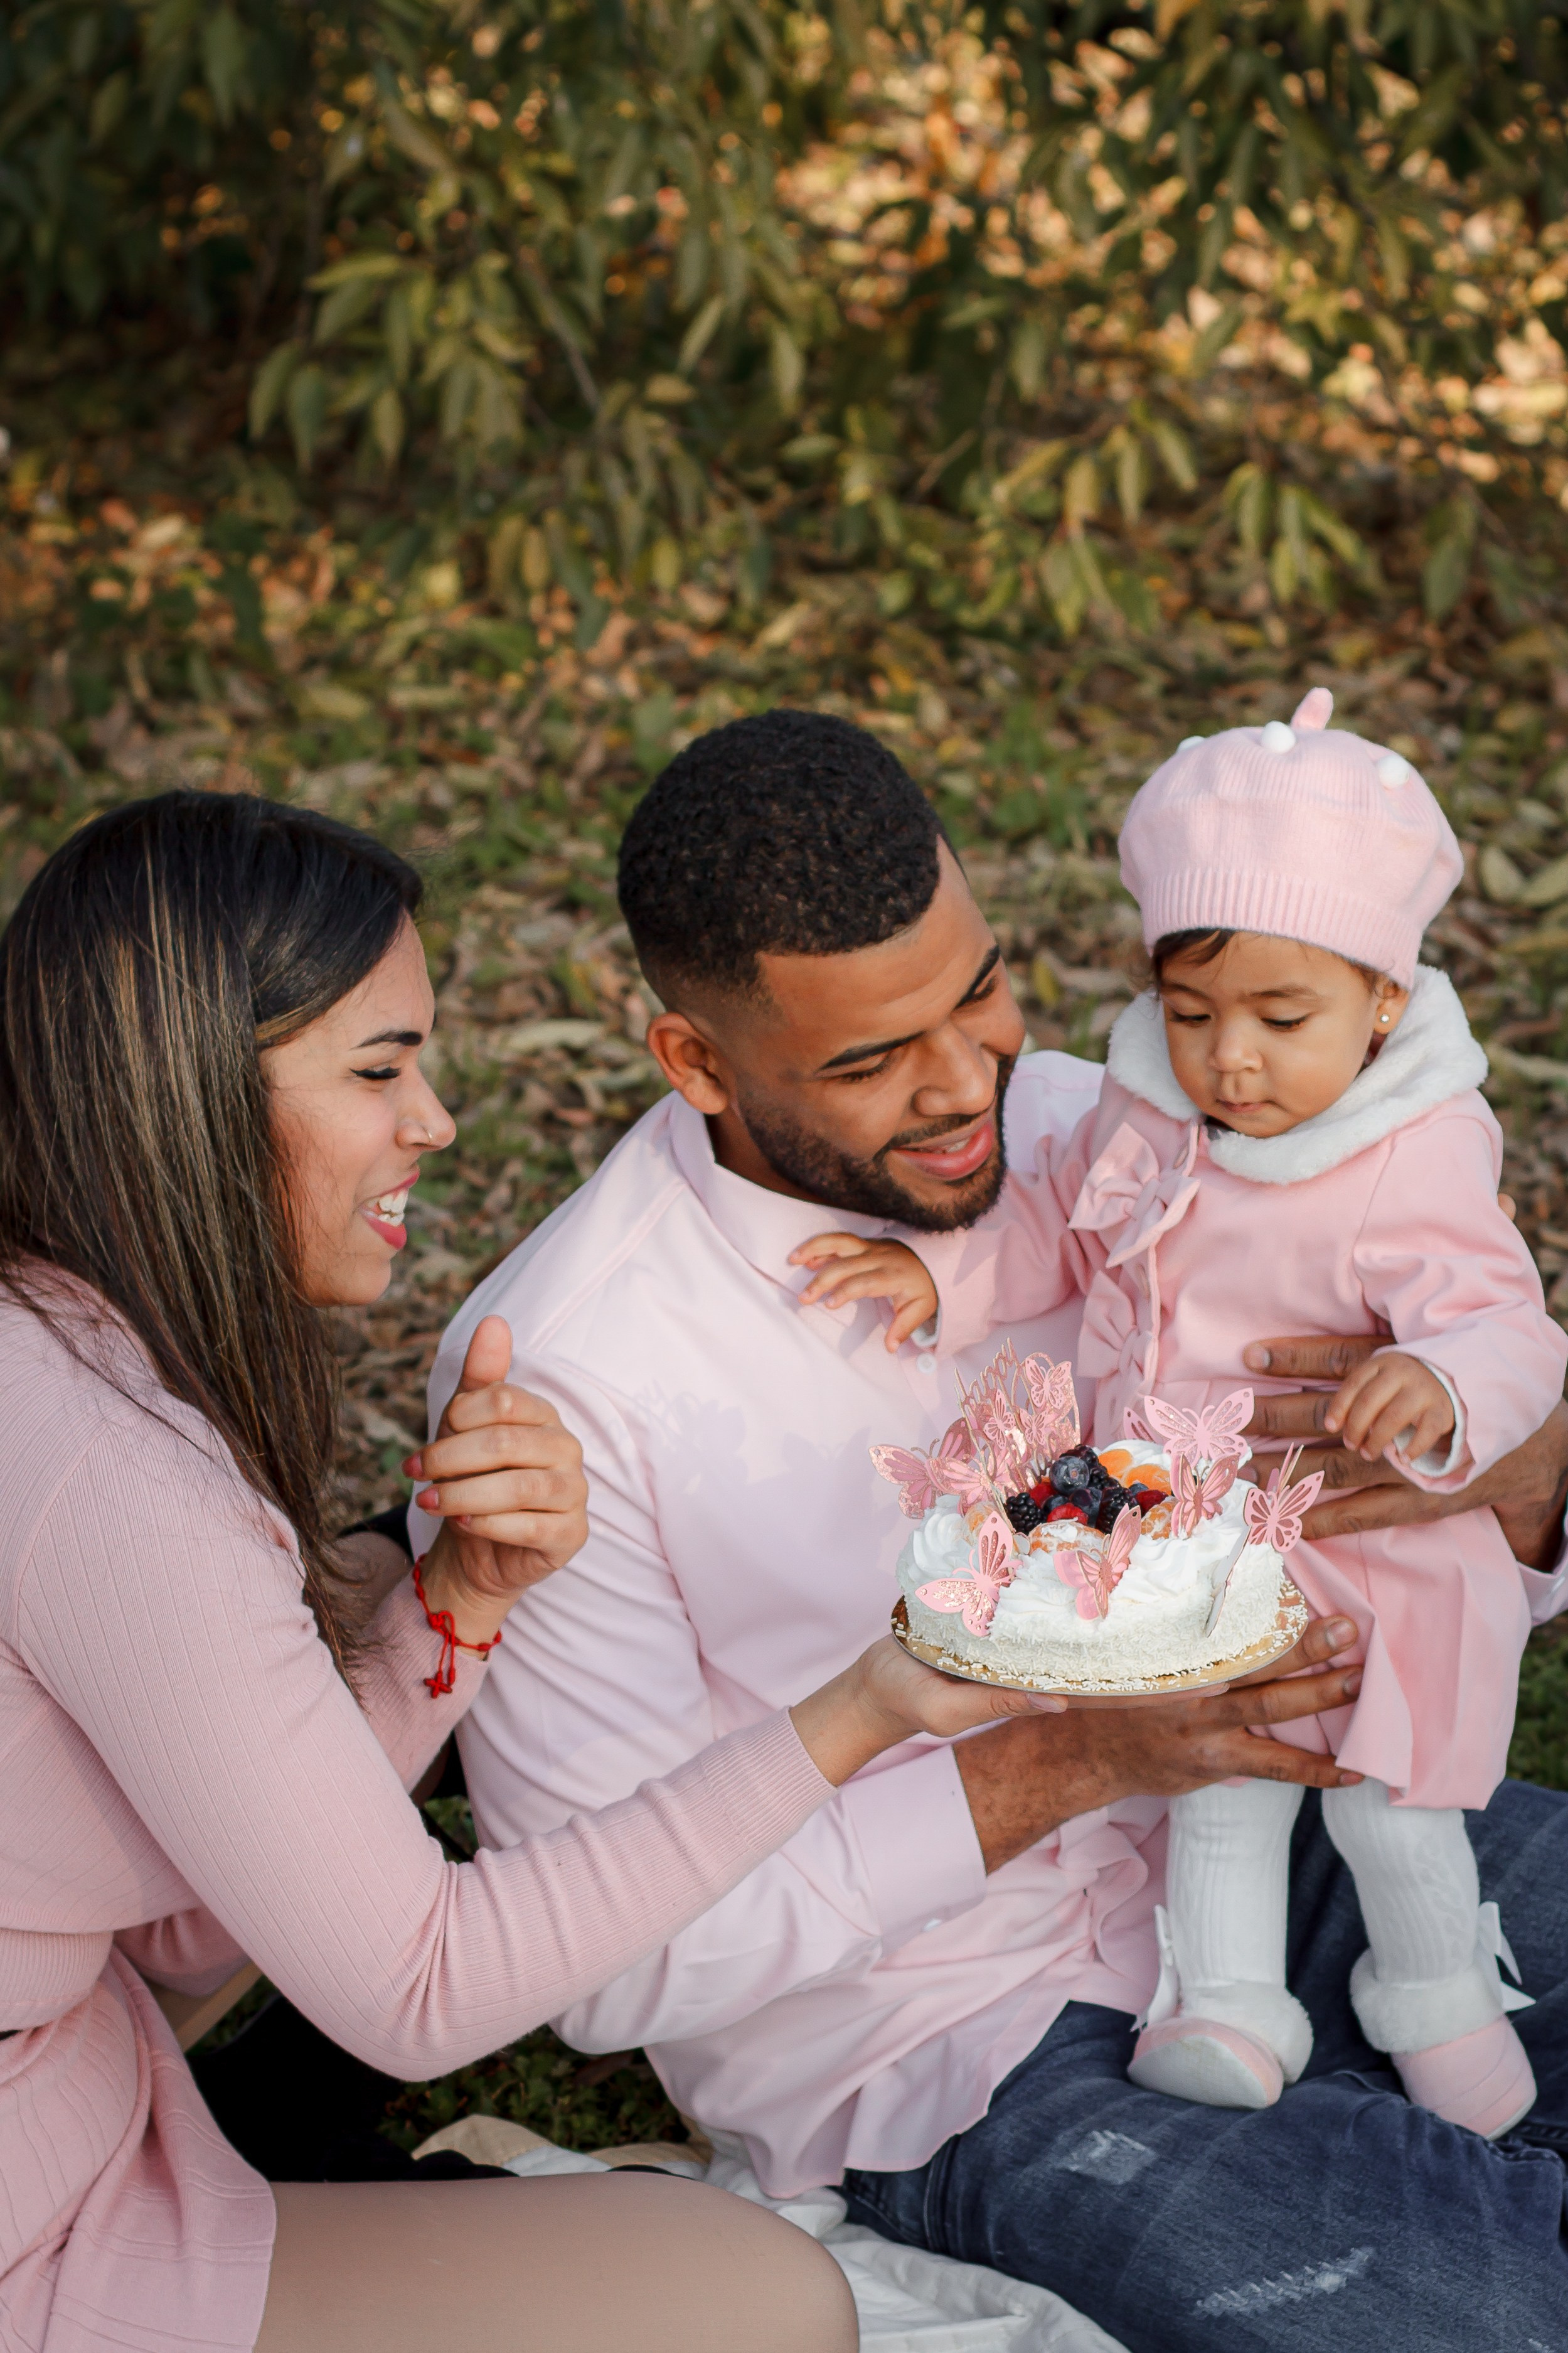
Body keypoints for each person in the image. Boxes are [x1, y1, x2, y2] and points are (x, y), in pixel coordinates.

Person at [418, 707, 1568, 2350]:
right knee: (1482, 2311)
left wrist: (1512, 1470)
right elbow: (599, 1968)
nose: (971, 1087)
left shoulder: (1112, 1126)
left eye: (977, 994)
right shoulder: (572, 1379)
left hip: (1303, 1807)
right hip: (953, 2028)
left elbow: (1473, 1451)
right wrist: (1070, 1762)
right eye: (872, 1059)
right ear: (695, 1062)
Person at [0, 789, 1047, 2353]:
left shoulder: (61, 1359)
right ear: (187, 1099)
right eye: (378, 1069)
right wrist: (867, 1706)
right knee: (769, 2310)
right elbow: (415, 1987)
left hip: (92, 2104)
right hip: (44, 2223)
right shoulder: (119, 1483)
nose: (432, 1120)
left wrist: (457, 1600)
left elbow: (195, 1926)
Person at [797, 689, 1567, 2136]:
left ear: (1381, 1003)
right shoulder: (1150, 1113)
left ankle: (1434, 1999)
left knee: (1384, 1802)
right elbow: (1061, 1233)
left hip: (1366, 1535)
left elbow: (1504, 1321)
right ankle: (1225, 2005)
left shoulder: (1408, 1153)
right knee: (1213, 1772)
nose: (1231, 1060)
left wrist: (1447, 1381)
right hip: (1191, 1527)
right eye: (1192, 1011)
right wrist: (941, 1277)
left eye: (1283, 1020)